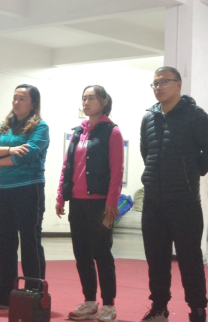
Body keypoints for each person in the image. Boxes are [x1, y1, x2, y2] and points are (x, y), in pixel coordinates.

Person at [139, 67, 208, 322]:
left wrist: (189, 172)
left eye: (164, 82)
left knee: (190, 260)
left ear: (178, 84)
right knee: (156, 261)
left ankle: (197, 311)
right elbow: (146, 152)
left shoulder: (195, 115)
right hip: (153, 202)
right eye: (155, 83)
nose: (158, 87)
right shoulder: (148, 118)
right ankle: (159, 309)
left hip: (184, 202)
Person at [56, 86, 124, 322]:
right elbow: (67, 166)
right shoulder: (78, 132)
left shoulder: (112, 131)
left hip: (100, 204)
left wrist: (112, 201)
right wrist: (61, 196)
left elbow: (117, 170)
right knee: (82, 254)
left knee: (102, 254)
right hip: (77, 202)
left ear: (104, 102)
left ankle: (109, 305)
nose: (86, 102)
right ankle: (89, 302)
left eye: (91, 98)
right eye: (83, 98)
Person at [0, 84, 50, 310]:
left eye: (22, 98)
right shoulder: (6, 126)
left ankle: (33, 295)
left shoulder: (40, 127)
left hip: (28, 190)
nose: (16, 102)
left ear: (33, 103)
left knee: (30, 242)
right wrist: (10, 151)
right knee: (4, 243)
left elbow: (28, 154)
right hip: (2, 190)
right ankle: (3, 295)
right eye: (15, 98)